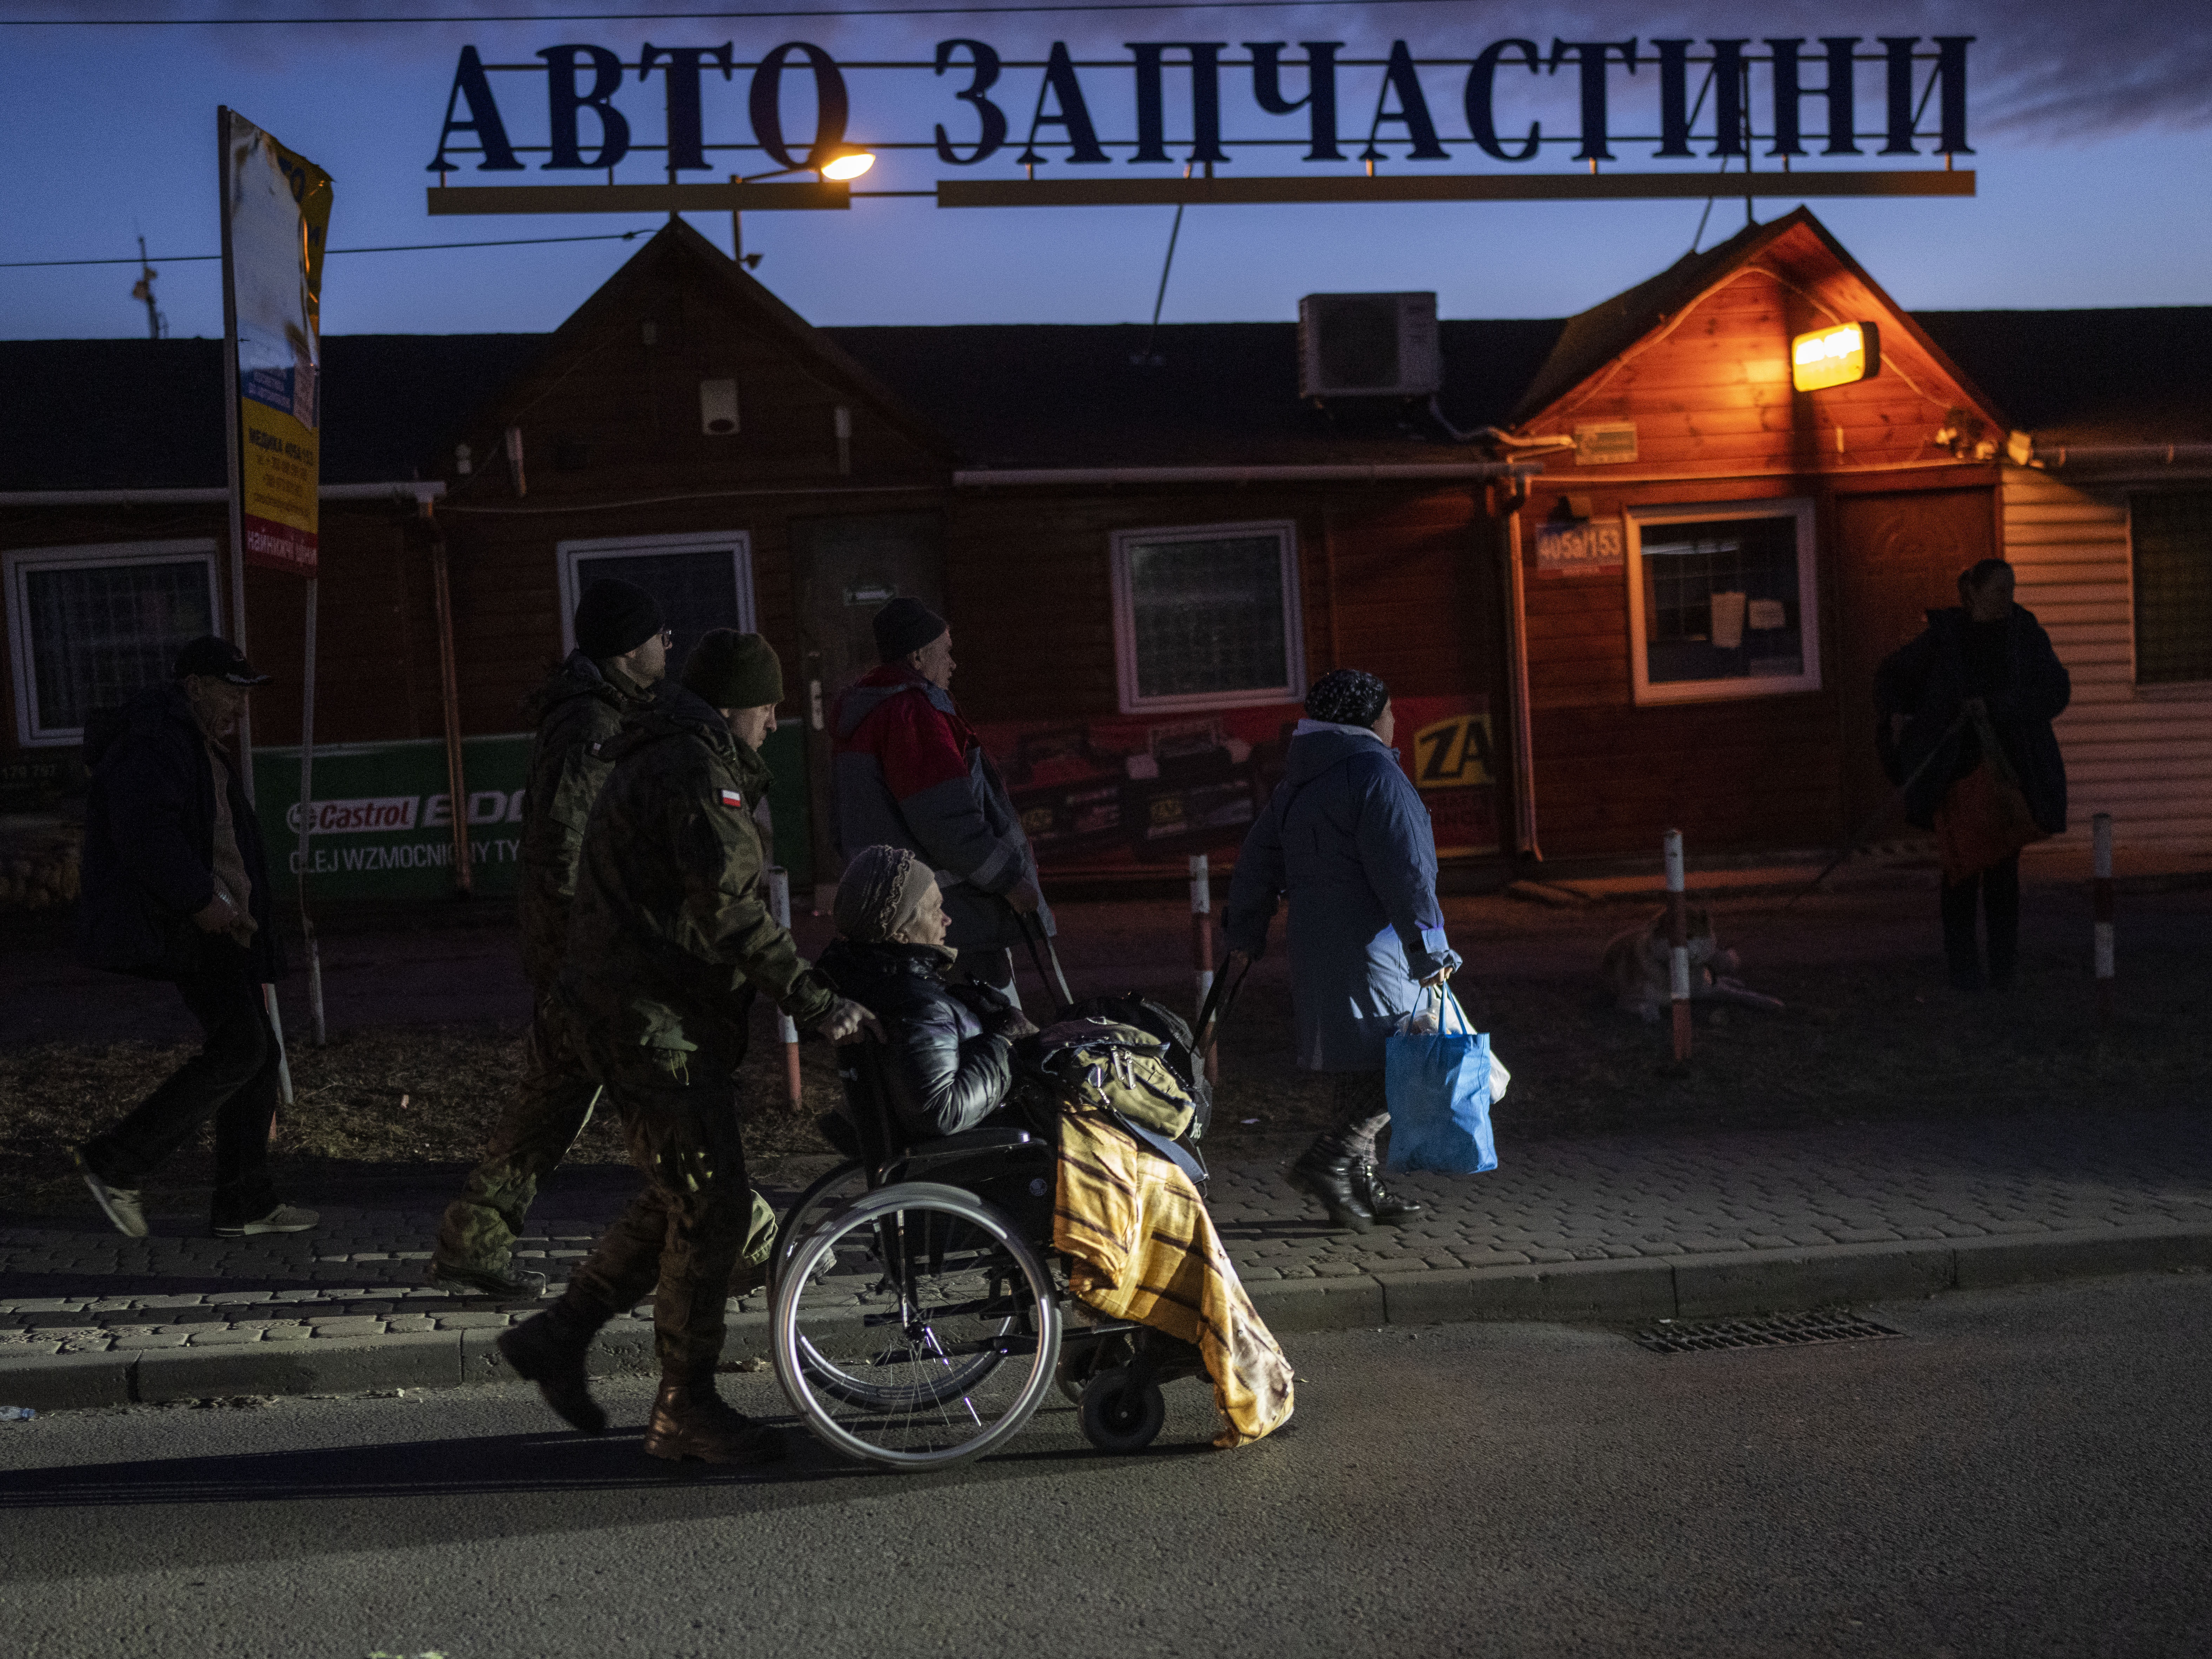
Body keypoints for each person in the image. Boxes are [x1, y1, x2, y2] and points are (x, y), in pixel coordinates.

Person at [497, 630, 879, 1466]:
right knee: (715, 1208)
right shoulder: (698, 771)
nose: (775, 722)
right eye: (769, 705)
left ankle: (561, 1334)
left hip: (632, 1013)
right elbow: (732, 914)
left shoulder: (671, 754)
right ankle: (685, 1409)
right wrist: (820, 1004)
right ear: (735, 703)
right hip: (649, 1022)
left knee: (686, 1188)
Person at [429, 577, 667, 1298]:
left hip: (574, 953)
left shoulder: (593, 714)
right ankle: (744, 1234)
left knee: (555, 1097)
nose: (667, 647)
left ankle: (475, 1236)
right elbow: (566, 845)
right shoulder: (592, 725)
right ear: (630, 649)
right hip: (587, 956)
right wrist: (588, 947)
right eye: (659, 636)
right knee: (664, 1097)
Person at [71, 636, 316, 1240]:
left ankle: (245, 1203)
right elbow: (147, 834)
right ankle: (116, 1161)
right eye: (232, 692)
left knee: (258, 1055)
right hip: (194, 923)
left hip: (224, 924)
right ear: (194, 687)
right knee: (241, 1049)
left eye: (245, 695)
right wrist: (201, 901)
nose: (241, 707)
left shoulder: (191, 742)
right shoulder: (156, 742)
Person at [1221, 669, 1462, 1234]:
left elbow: (1257, 861)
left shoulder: (1296, 782)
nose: (1394, 718)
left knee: (1358, 1064)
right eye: (1389, 709)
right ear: (1367, 718)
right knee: (1404, 1064)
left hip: (1317, 946)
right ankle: (1332, 1158)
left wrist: (1246, 932)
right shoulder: (1375, 774)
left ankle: (1358, 1185)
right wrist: (1430, 949)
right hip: (1377, 948)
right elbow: (1406, 873)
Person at [831, 596, 1052, 1001]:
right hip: (957, 922)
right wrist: (1010, 880)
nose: (953, 664)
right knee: (990, 1040)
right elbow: (949, 822)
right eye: (946, 652)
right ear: (917, 655)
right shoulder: (914, 714)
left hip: (901, 922)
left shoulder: (862, 714)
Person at [1876, 558, 2070, 991]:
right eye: (2000, 590)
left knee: (2002, 873)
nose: (2008, 599)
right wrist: (1901, 722)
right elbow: (1892, 675)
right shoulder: (1946, 640)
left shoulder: (2024, 636)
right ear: (1974, 594)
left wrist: (1999, 706)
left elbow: (2056, 689)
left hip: (2008, 772)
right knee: (1961, 872)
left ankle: (2002, 970)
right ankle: (1963, 971)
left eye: (2012, 589)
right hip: (1956, 773)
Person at [814, 844, 1036, 1142]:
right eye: (935, 910)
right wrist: (1004, 1045)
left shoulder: (870, 980)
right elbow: (940, 1111)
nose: (947, 919)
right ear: (899, 933)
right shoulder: (914, 1003)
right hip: (974, 1159)